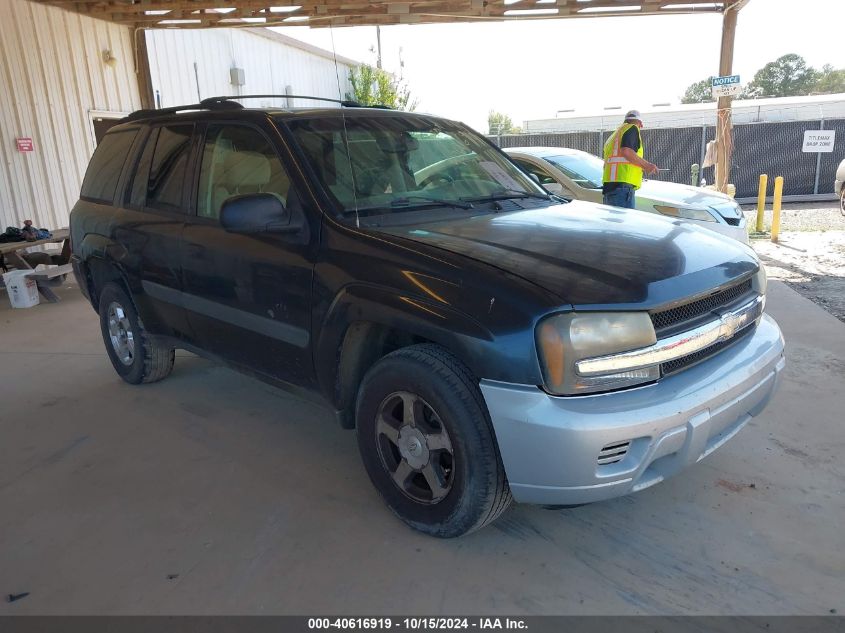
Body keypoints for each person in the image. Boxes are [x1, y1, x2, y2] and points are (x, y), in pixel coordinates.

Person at [602, 110, 659, 209]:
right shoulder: (632, 128)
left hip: (611, 187)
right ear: (640, 123)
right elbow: (627, 151)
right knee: (624, 223)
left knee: (613, 223)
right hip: (623, 188)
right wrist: (647, 166)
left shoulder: (615, 135)